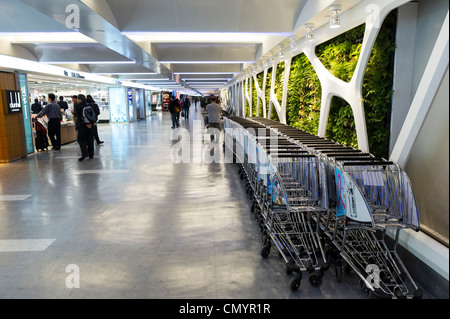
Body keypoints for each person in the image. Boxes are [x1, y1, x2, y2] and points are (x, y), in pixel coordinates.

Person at [74, 94, 95, 161]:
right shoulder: (90, 104)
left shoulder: (78, 105)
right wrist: (91, 122)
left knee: (80, 139)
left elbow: (78, 116)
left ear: (79, 99)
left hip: (82, 125)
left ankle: (84, 153)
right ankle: (91, 154)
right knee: (90, 139)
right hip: (91, 125)